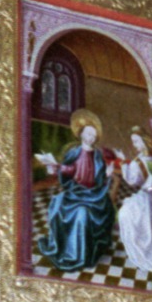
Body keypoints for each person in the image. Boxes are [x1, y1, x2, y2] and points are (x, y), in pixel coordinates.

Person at [36, 109, 117, 272]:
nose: (90, 138)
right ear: (81, 134)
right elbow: (69, 170)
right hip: (75, 193)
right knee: (60, 206)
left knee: (82, 214)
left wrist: (107, 174)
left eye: (93, 136)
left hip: (94, 196)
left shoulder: (97, 156)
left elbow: (99, 178)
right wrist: (57, 168)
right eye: (88, 134)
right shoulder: (74, 152)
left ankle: (81, 256)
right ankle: (69, 252)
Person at [117, 125, 152, 276]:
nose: (134, 145)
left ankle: (140, 251)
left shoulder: (138, 162)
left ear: (144, 141)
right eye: (133, 142)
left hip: (146, 196)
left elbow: (131, 180)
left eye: (136, 141)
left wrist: (122, 162)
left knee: (125, 213)